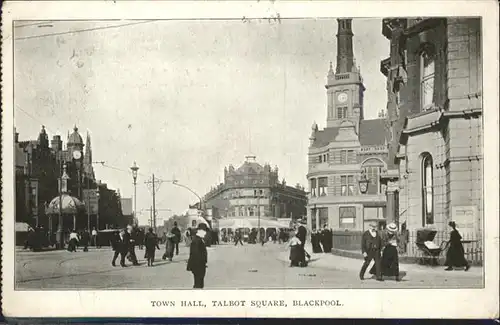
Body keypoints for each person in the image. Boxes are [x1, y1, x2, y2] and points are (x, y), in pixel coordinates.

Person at [187, 223, 208, 289]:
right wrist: (201, 263)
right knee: (198, 284)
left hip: (199, 266)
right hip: (198, 266)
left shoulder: (199, 239)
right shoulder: (196, 240)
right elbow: (195, 254)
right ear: (200, 231)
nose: (205, 233)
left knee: (199, 283)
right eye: (204, 231)